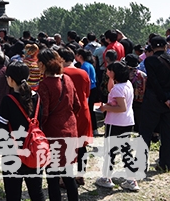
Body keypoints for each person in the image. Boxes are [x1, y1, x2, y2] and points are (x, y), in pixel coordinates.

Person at [0, 61, 45, 201]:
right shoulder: (37, 98)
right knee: (36, 193)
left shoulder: (8, 100)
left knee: (13, 194)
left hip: (13, 153)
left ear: (10, 79)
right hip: (34, 149)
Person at [37, 49, 80, 201]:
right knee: (68, 174)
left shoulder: (44, 85)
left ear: (43, 65)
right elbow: (77, 104)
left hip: (53, 132)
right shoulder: (67, 79)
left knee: (53, 178)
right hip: (70, 128)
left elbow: (45, 114)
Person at [95, 60, 139, 191]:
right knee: (126, 150)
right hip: (127, 122)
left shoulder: (118, 89)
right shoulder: (127, 84)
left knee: (110, 151)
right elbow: (111, 90)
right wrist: (110, 78)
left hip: (115, 122)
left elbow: (121, 107)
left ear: (115, 73)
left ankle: (106, 177)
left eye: (110, 70)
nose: (107, 71)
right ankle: (131, 180)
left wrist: (105, 108)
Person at [60, 47, 92, 185]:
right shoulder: (83, 73)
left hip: (67, 113)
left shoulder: (60, 74)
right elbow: (87, 93)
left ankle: (63, 177)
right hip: (83, 112)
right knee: (82, 145)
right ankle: (81, 174)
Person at [139, 35, 170, 171]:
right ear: (165, 46)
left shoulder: (150, 61)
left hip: (153, 100)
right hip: (169, 101)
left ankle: (141, 164)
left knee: (145, 131)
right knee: (167, 133)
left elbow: (154, 82)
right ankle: (165, 163)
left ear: (151, 47)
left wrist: (164, 98)